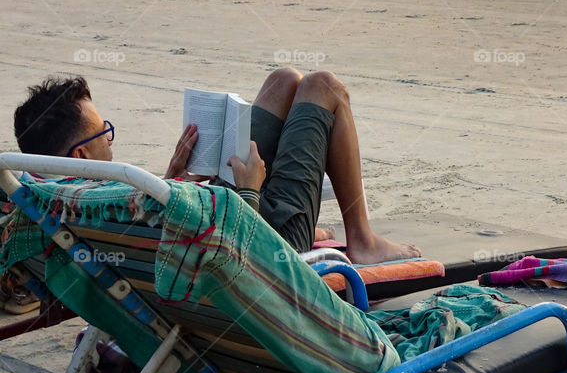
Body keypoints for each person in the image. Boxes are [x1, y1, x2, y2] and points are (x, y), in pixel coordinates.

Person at [13, 70, 419, 264]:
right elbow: (237, 257)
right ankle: (361, 239)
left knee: (283, 81)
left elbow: (148, 236)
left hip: (219, 219)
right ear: (80, 155)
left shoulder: (61, 204)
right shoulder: (104, 196)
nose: (110, 139)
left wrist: (170, 181)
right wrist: (250, 190)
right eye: (105, 132)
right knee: (323, 86)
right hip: (264, 243)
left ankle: (311, 220)